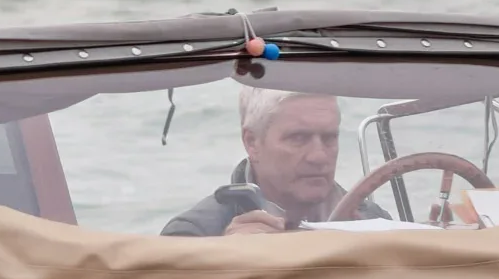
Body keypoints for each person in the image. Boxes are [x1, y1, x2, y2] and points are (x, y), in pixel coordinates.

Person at [163, 88, 384, 236]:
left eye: (329, 138)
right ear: (252, 143)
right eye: (298, 138)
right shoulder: (194, 235)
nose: (318, 156)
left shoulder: (374, 222)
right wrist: (224, 261)